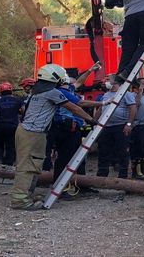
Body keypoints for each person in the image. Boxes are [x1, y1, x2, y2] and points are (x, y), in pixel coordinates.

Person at [11, 64, 96, 210]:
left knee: (34, 164)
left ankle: (26, 195)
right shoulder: (52, 93)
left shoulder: (36, 92)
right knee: (28, 166)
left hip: (28, 131)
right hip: (33, 133)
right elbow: (74, 107)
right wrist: (92, 120)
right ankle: (20, 200)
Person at [50, 63, 105, 198]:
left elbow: (80, 82)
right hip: (65, 128)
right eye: (68, 79)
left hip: (74, 128)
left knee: (79, 158)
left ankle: (82, 185)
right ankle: (61, 188)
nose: (72, 82)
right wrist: (103, 103)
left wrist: (90, 70)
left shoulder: (68, 89)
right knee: (64, 158)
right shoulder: (61, 92)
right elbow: (80, 104)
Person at [95, 74, 136, 179]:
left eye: (108, 79)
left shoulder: (125, 94)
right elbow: (101, 108)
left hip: (120, 126)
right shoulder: (106, 95)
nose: (105, 81)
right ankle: (102, 175)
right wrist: (95, 121)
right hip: (105, 127)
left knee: (122, 151)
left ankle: (122, 176)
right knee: (103, 150)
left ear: (115, 82)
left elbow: (133, 108)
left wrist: (129, 124)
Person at [0, 82, 23, 165]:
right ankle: (9, 164)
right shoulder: (18, 101)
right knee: (11, 145)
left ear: (0, 92)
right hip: (13, 126)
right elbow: (23, 111)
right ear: (11, 91)